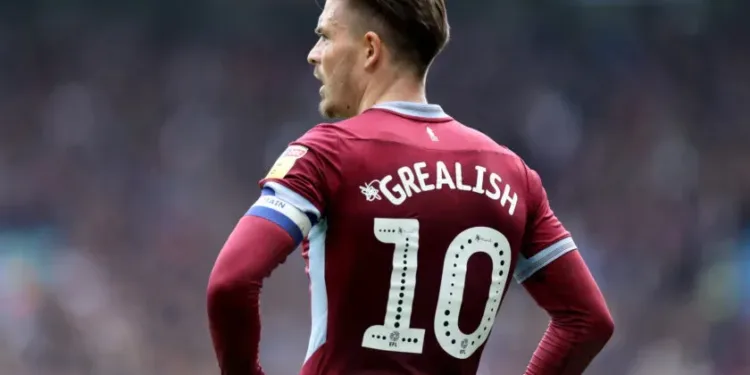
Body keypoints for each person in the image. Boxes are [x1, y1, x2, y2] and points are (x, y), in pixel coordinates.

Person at [206, 0, 614, 374]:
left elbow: (231, 282)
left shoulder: (328, 153)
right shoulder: (512, 174)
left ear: (370, 49)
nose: (314, 54)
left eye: (325, 36)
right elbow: (588, 320)